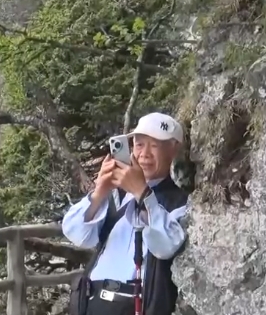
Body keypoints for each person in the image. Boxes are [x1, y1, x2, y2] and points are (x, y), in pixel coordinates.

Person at [64, 112, 189, 315]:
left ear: (173, 149)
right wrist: (99, 192)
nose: (144, 154)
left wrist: (142, 192)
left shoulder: (180, 202)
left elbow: (165, 247)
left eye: (154, 146)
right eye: (139, 145)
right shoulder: (117, 194)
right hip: (90, 302)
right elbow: (76, 234)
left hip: (132, 306)